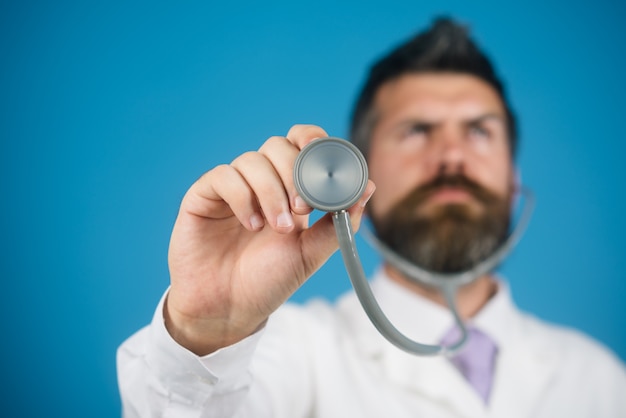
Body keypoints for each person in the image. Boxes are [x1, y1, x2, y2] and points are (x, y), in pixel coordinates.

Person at [117, 17, 626, 417]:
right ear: (358, 173)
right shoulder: (291, 352)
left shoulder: (598, 379)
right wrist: (208, 330)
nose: (451, 156)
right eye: (417, 130)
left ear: (514, 175)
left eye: (478, 132)